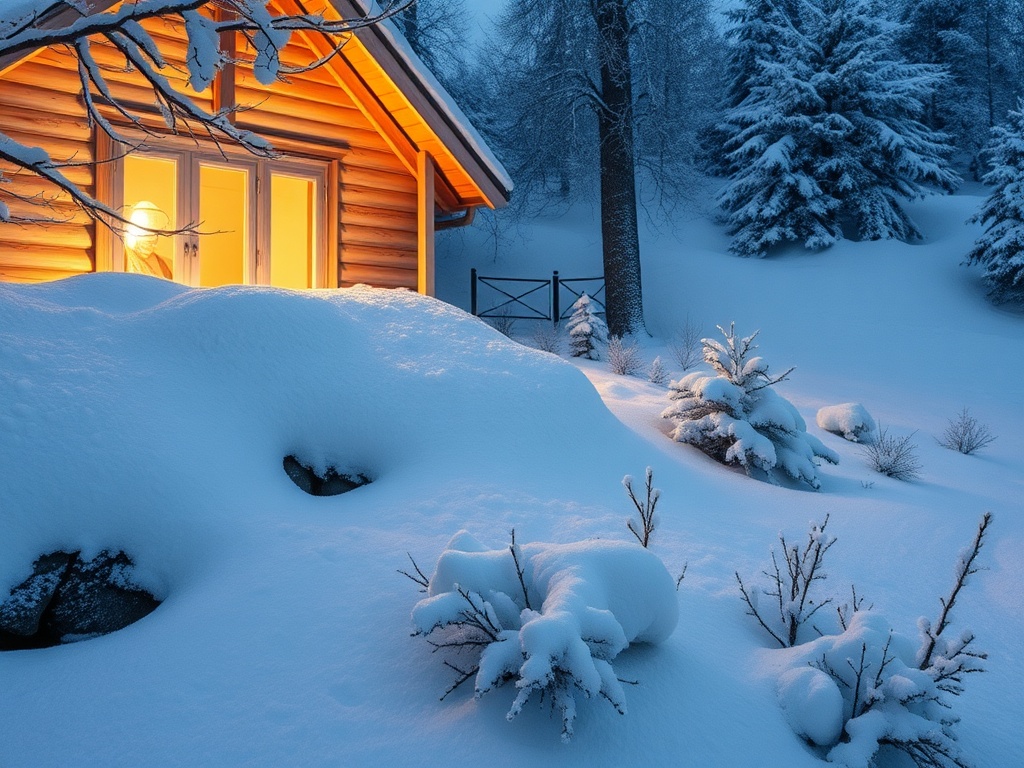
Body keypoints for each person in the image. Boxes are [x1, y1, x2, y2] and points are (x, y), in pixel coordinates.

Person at [125, 200, 172, 279]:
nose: (150, 245)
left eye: (152, 241)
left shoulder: (166, 264)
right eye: (146, 242)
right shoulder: (121, 258)